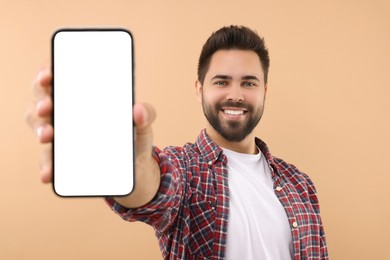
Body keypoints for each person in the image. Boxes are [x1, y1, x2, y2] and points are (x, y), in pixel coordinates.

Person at [26, 25, 328, 259]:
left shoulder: (300, 184)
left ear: (265, 90)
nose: (235, 94)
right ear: (199, 89)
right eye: (221, 82)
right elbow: (152, 189)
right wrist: (130, 164)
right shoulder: (185, 168)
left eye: (248, 82)